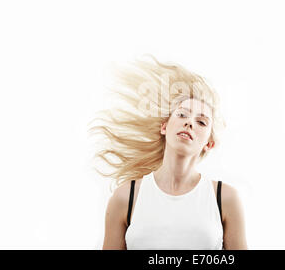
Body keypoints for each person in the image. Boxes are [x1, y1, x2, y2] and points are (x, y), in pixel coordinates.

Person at [89, 54, 247, 249]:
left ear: (209, 143)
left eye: (201, 122)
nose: (189, 122)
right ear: (164, 127)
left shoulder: (225, 198)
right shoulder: (126, 197)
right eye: (182, 114)